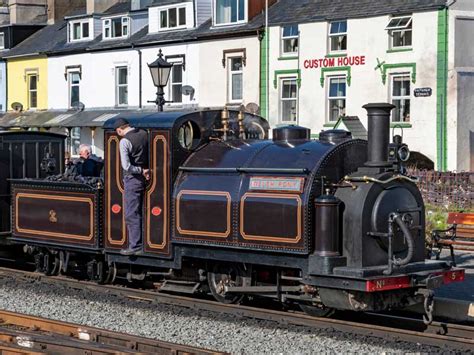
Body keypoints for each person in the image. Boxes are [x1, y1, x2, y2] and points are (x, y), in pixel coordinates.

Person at [114, 118, 150, 256]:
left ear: (119, 130)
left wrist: (141, 170)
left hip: (133, 179)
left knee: (131, 213)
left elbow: (126, 166)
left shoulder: (124, 141)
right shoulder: (143, 133)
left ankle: (135, 245)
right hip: (145, 178)